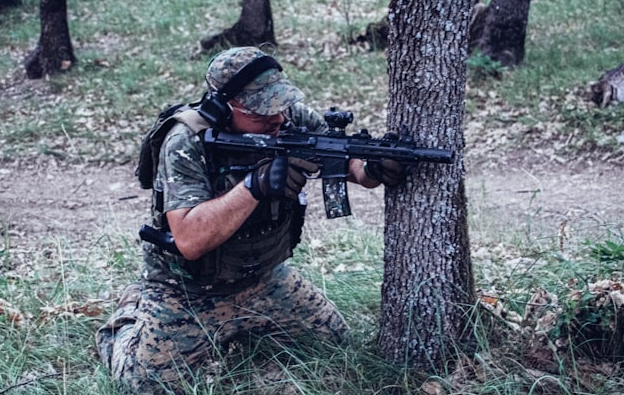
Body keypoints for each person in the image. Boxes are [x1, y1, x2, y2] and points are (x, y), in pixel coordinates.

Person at [96, 46, 406, 394]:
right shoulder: (186, 141)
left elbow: (345, 163)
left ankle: (241, 329)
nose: (276, 120)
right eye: (261, 112)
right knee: (144, 386)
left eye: (279, 105)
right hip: (188, 291)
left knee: (334, 344)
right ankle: (127, 317)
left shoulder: (287, 119)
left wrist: (375, 167)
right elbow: (189, 240)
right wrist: (254, 186)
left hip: (262, 278)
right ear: (224, 108)